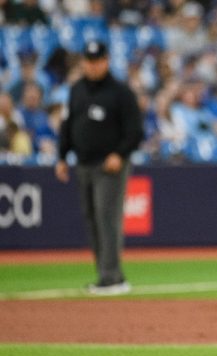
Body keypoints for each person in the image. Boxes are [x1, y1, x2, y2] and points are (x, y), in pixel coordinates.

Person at [55, 41, 143, 295]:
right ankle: (103, 274)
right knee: (92, 219)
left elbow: (135, 131)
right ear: (83, 62)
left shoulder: (121, 92)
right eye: (89, 61)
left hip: (110, 165)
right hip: (83, 163)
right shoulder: (76, 90)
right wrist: (62, 156)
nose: (92, 66)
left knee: (107, 218)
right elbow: (67, 124)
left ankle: (113, 277)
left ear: (106, 61)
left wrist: (120, 154)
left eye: (97, 61)